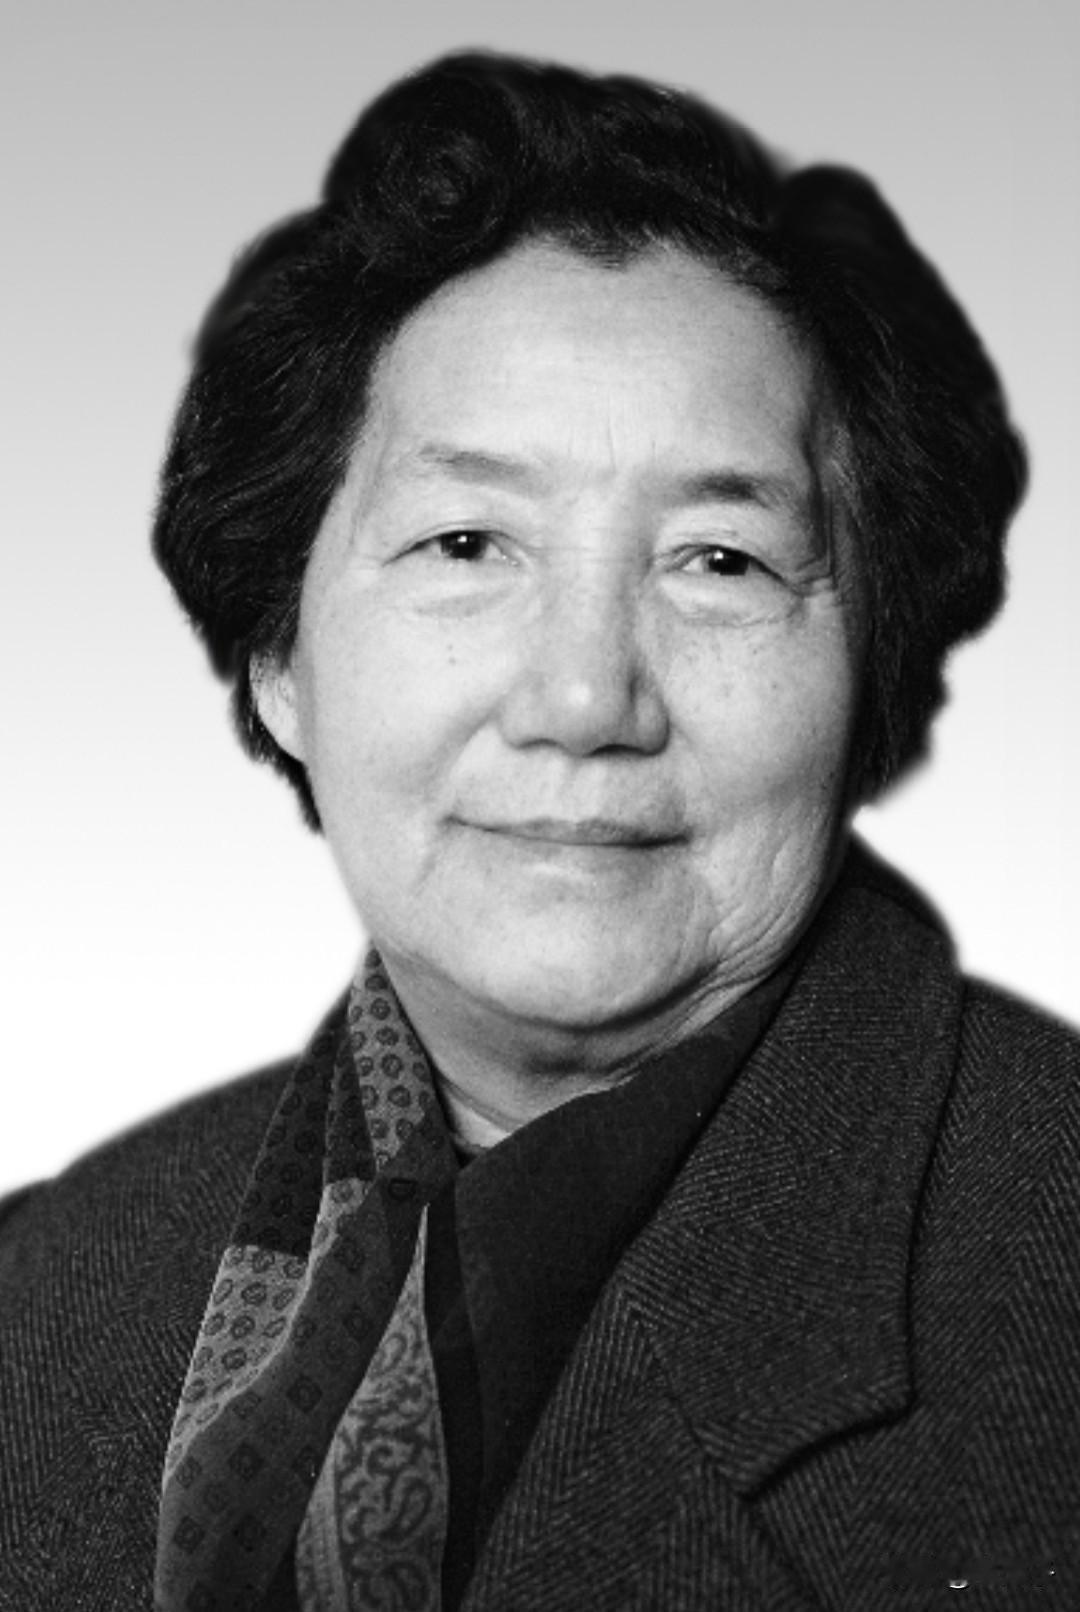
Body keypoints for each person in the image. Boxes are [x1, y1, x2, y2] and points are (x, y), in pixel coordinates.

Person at [1, 49, 1077, 1612]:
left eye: (720, 561)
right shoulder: (50, 1288)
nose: (584, 698)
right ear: (282, 663)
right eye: (465, 542)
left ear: (867, 677)